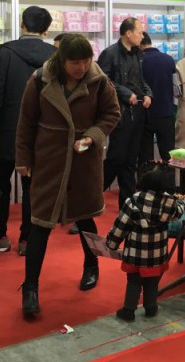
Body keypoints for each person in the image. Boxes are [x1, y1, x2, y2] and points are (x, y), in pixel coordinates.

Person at [15, 34, 121, 315]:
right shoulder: (40, 80)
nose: (81, 68)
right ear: (62, 60)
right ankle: (30, 287)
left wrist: (92, 136)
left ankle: (92, 265)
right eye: (75, 62)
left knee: (86, 218)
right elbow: (25, 122)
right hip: (49, 159)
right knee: (40, 223)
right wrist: (23, 159)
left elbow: (112, 114)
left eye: (86, 61)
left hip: (84, 160)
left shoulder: (99, 81)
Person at [0, 7, 56, 254]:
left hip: (7, 132)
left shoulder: (6, 52)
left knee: (0, 184)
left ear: (22, 24)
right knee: (33, 187)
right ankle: (27, 240)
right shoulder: (54, 56)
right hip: (41, 133)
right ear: (46, 30)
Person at [106, 161, 184, 322]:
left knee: (134, 281)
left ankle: (129, 310)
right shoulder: (169, 202)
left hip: (136, 254)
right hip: (157, 254)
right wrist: (179, 201)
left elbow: (121, 226)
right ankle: (151, 308)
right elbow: (179, 211)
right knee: (152, 281)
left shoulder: (133, 201)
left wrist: (111, 244)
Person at [98, 18, 153, 208]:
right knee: (117, 158)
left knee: (130, 161)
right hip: (119, 113)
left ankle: (128, 205)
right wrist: (125, 93)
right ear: (128, 33)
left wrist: (148, 93)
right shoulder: (110, 54)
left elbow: (141, 80)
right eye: (139, 31)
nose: (142, 36)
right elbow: (104, 81)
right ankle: (90, 195)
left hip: (137, 112)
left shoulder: (138, 54)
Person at [138, 32, 176, 165]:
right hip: (166, 113)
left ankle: (146, 179)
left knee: (145, 157)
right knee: (169, 156)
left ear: (139, 44)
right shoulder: (169, 59)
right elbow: (176, 87)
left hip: (144, 113)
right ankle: (168, 179)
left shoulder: (139, 61)